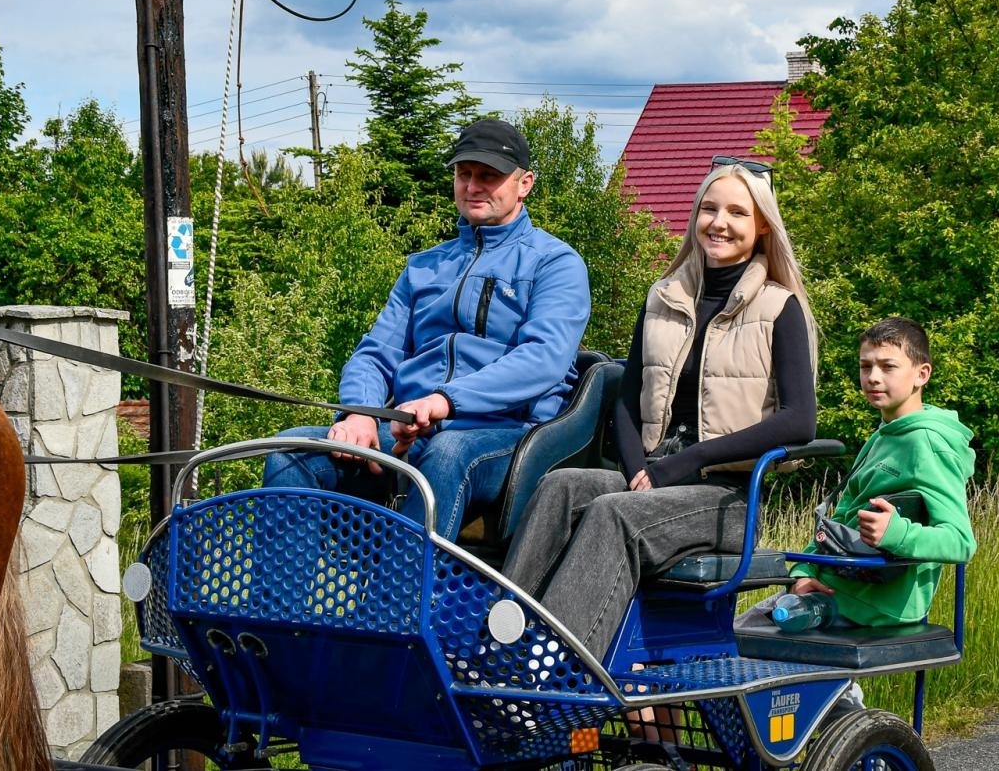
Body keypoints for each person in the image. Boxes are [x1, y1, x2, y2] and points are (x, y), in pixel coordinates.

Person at [500, 157, 818, 660]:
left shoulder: (779, 307)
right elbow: (627, 401)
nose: (719, 222)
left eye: (737, 212)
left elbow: (800, 420)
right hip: (655, 478)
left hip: (727, 497)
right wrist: (637, 470)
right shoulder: (663, 298)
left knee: (614, 515)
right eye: (708, 209)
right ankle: (500, 641)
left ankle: (553, 667)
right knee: (563, 486)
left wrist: (687, 462)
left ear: (760, 227)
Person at [261, 118, 591, 540]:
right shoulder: (424, 266)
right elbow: (376, 351)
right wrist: (361, 411)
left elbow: (542, 359)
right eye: (463, 174)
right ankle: (289, 604)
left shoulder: (555, 264)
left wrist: (444, 401)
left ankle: (401, 601)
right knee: (293, 450)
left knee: (447, 452)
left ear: (524, 183)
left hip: (507, 436)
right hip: (409, 427)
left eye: (488, 176)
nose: (473, 186)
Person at [775, 316, 976, 629]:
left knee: (737, 644)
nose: (873, 377)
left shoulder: (927, 443)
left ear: (921, 374)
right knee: (739, 633)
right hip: (837, 585)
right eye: (865, 366)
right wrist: (803, 573)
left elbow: (960, 541)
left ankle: (843, 682)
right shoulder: (884, 434)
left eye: (888, 366)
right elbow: (841, 518)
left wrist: (897, 533)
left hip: (872, 604)